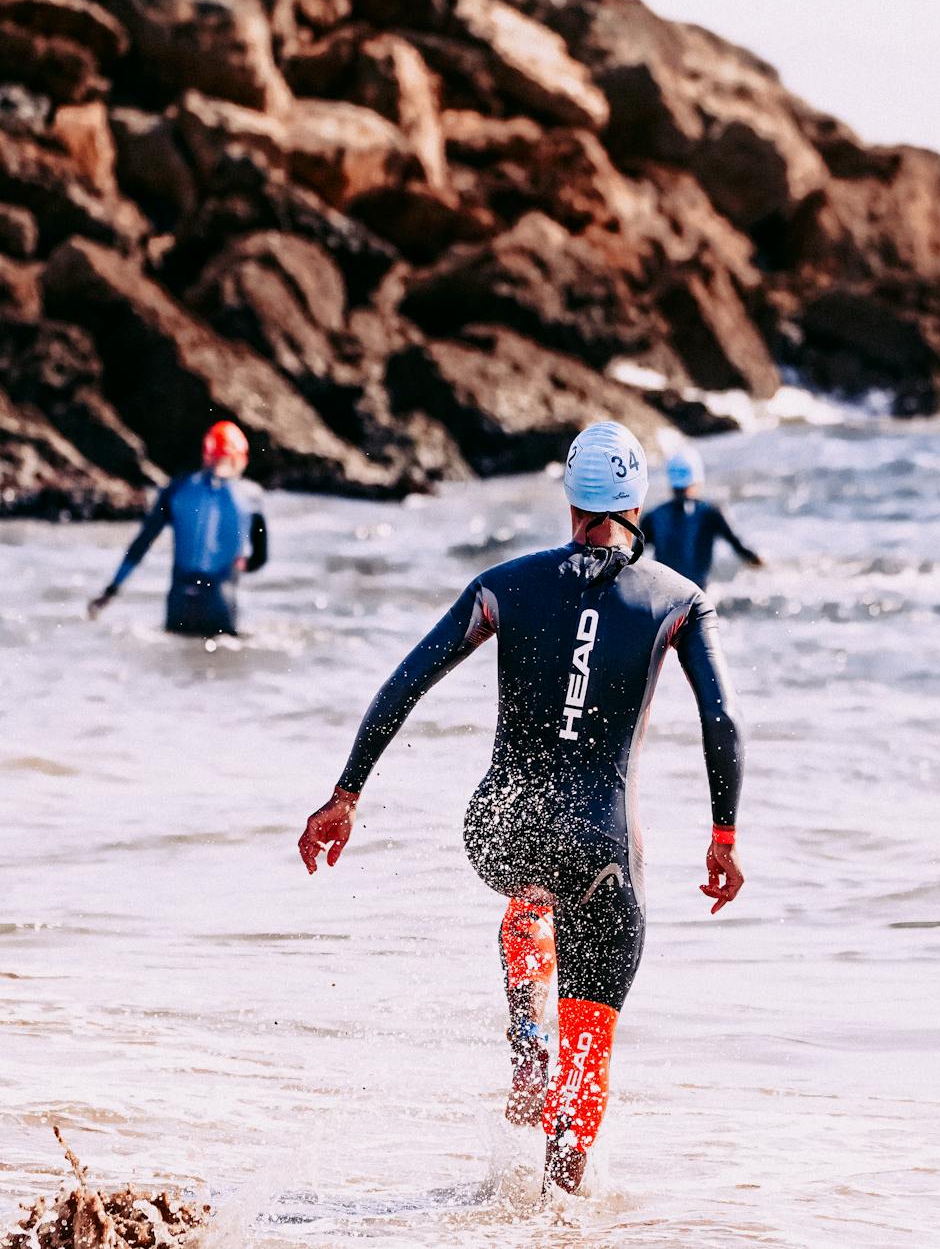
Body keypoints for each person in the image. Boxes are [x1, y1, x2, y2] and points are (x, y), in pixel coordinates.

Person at [296, 421, 746, 1194]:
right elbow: (722, 719)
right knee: (591, 1038)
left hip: (499, 829)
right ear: (637, 501)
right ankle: (559, 1203)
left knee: (532, 884)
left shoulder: (505, 583)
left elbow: (410, 677)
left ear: (571, 498)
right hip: (602, 852)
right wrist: (724, 834)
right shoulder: (679, 599)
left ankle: (527, 1034)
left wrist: (347, 792)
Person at [87, 421, 268, 637]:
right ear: (240, 459)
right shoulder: (251, 496)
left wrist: (111, 590)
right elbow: (260, 558)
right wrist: (243, 565)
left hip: (180, 605)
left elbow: (141, 544)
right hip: (220, 605)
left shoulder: (177, 490)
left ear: (206, 455)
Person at [639, 447, 763, 589]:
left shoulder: (653, 517)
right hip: (699, 595)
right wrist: (760, 561)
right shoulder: (711, 512)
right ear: (698, 479)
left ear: (671, 481)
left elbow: (633, 558)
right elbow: (741, 547)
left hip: (664, 596)